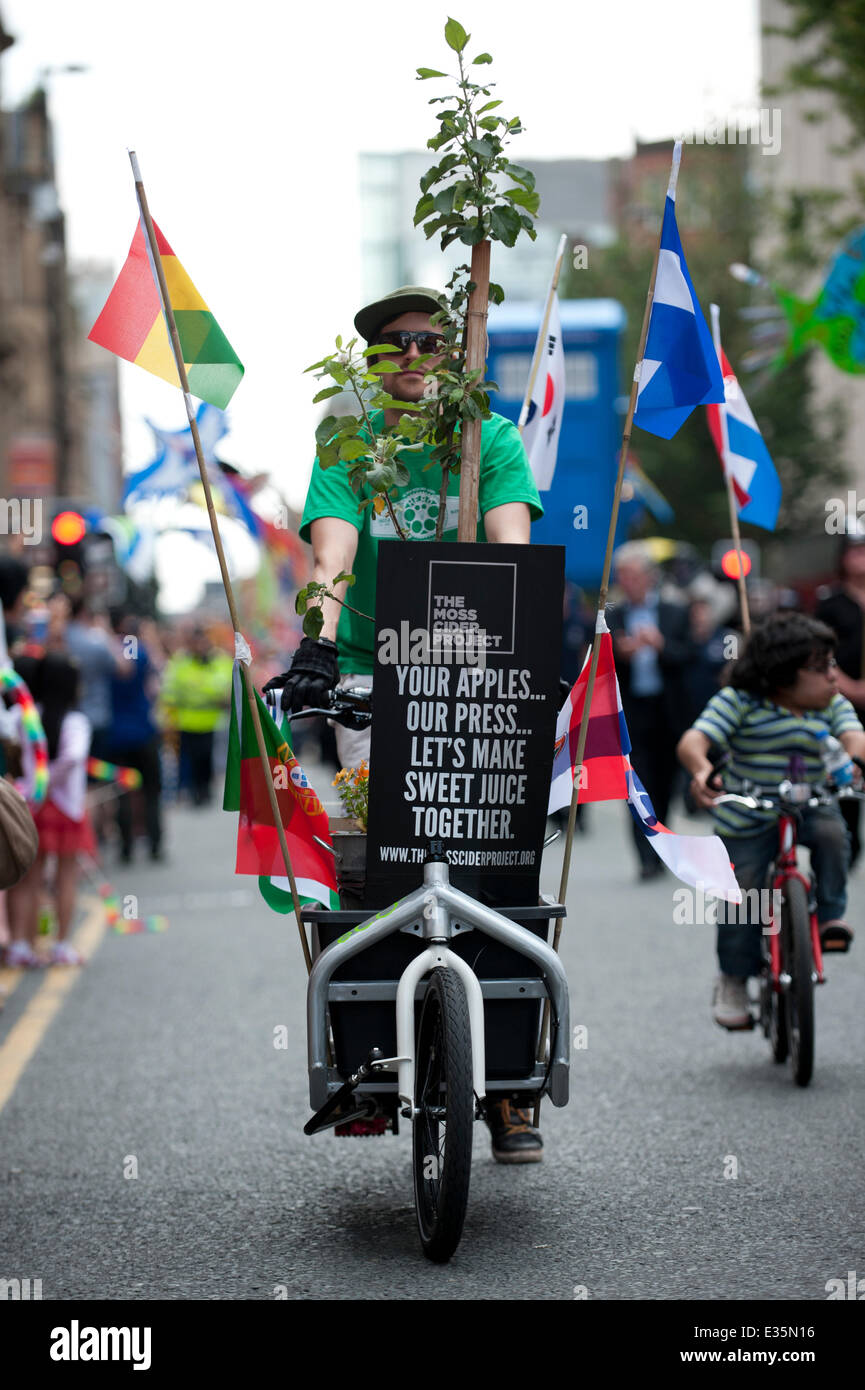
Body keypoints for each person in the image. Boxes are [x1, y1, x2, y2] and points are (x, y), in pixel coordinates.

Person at [268, 285, 546, 1163]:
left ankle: (505, 1082)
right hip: (371, 667)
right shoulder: (350, 438)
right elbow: (333, 547)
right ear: (373, 359)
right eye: (395, 343)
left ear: (455, 354)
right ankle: (370, 1060)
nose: (414, 354)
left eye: (431, 340)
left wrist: (525, 637)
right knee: (373, 852)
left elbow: (509, 544)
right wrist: (317, 641)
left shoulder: (487, 436)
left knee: (496, 855)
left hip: (474, 667)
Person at [677, 612, 865, 1030]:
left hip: (813, 800)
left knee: (834, 833)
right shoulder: (738, 700)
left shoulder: (830, 704)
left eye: (833, 664)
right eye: (821, 668)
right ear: (783, 676)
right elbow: (695, 740)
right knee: (740, 894)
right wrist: (701, 769)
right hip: (748, 809)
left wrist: (853, 762)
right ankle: (734, 979)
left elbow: (855, 735)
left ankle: (831, 913)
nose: (835, 677)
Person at [608, 543, 692, 879]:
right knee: (634, 786)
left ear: (649, 577)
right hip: (632, 712)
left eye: (632, 576)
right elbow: (599, 662)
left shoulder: (675, 611)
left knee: (664, 784)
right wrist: (621, 653)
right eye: (622, 577)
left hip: (666, 710)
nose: (627, 583)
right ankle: (645, 857)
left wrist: (661, 646)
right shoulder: (613, 615)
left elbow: (688, 656)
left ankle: (664, 847)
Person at [7, 655, 94, 967]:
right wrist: (48, 779)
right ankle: (61, 945)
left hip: (31, 807)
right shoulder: (75, 722)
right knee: (66, 877)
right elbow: (73, 759)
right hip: (67, 809)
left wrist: (34, 784)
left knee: (26, 878)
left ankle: (21, 944)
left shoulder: (23, 716)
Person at [815, 536, 865, 867]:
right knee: (848, 771)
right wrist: (848, 686)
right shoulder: (830, 603)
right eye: (856, 551)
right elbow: (820, 650)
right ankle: (848, 844)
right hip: (843, 698)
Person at [107, 615, 164, 863]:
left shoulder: (109, 653)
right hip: (143, 730)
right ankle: (155, 844)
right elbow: (155, 685)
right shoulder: (141, 651)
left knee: (123, 793)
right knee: (152, 791)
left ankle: (126, 847)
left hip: (117, 733)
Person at [160, 625, 232, 806]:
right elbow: (171, 689)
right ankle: (193, 792)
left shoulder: (220, 660)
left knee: (207, 759)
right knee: (190, 760)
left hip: (212, 721)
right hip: (187, 721)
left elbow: (224, 688)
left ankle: (205, 790)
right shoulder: (180, 662)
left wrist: (197, 688)